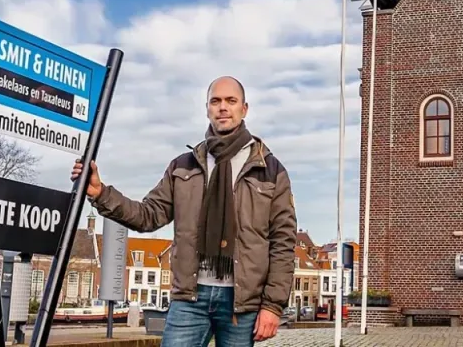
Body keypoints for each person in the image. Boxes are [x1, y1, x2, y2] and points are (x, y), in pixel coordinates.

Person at [72, 76, 298, 346]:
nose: (223, 107)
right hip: (191, 297)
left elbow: (283, 242)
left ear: (244, 109)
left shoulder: (270, 170)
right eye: (216, 101)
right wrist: (101, 194)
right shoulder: (184, 166)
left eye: (230, 101)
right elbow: (148, 215)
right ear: (207, 109)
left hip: (242, 303)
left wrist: (272, 305)